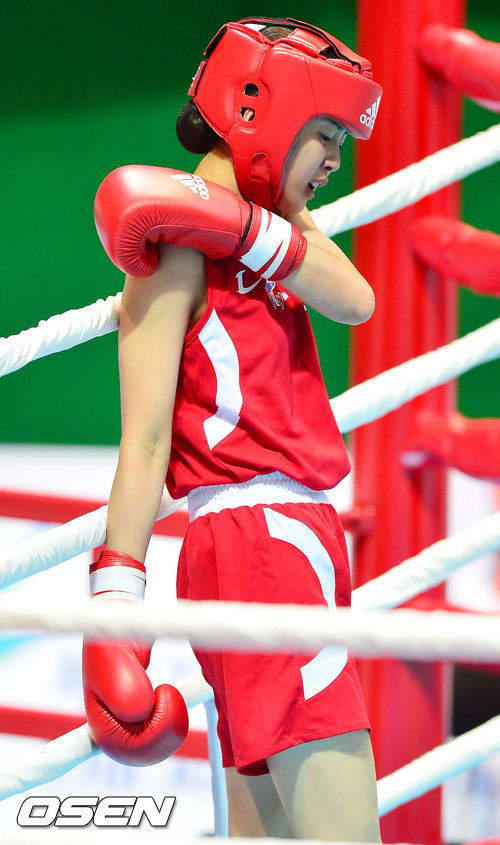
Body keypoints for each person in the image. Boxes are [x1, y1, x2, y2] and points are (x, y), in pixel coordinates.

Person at [83, 17, 383, 841]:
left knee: (270, 833)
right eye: (325, 133)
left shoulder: (271, 225)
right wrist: (115, 603)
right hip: (265, 546)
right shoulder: (178, 248)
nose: (335, 158)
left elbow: (355, 299)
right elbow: (145, 440)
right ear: (262, 111)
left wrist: (247, 229)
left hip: (277, 546)